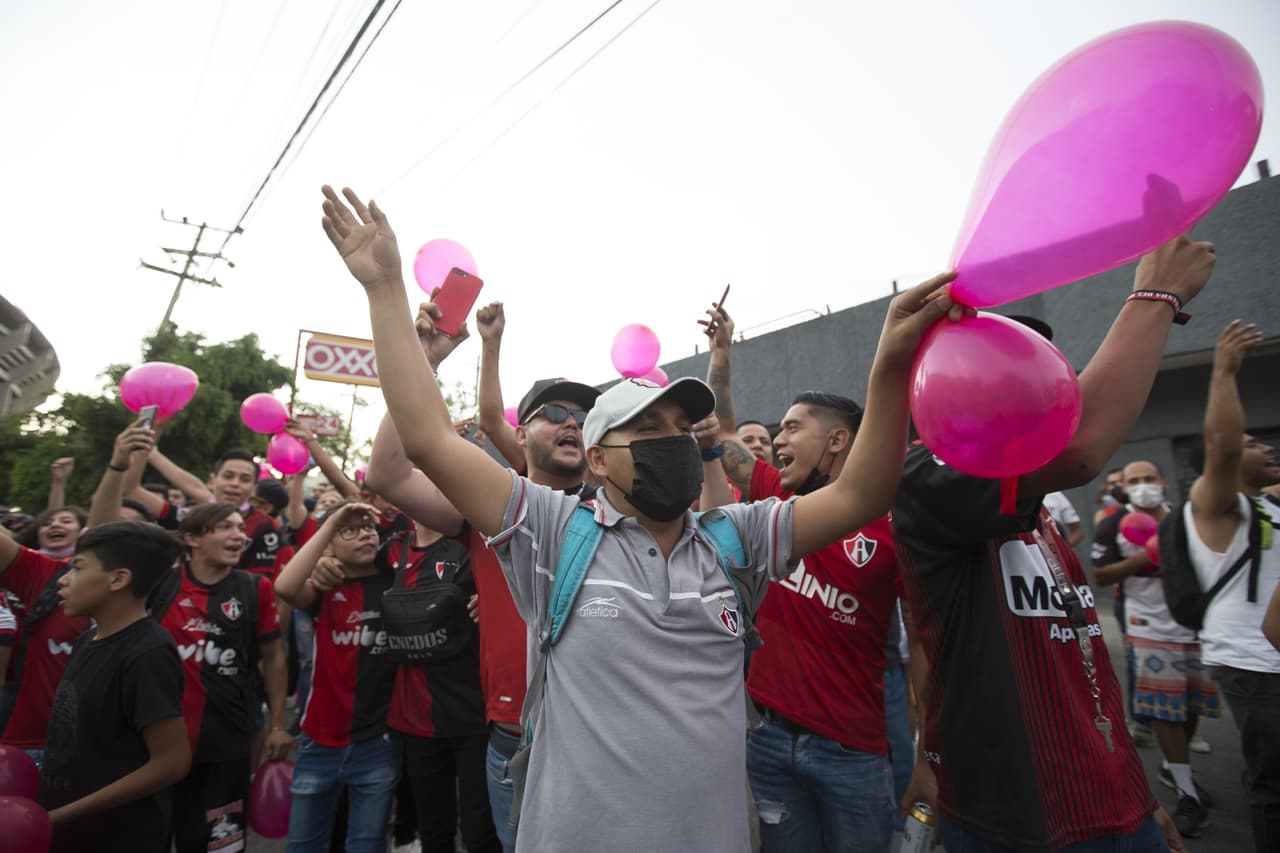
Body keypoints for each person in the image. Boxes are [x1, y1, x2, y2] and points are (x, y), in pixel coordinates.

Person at [321, 183, 955, 851]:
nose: (672, 438)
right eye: (646, 428)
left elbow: (860, 495)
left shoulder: (738, 539)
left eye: (679, 425)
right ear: (596, 458)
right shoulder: (551, 531)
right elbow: (425, 436)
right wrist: (385, 289)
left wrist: (889, 363)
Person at [893, 232, 1215, 852]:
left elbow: (1083, 669)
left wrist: (1138, 797)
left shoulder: (1041, 520)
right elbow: (1078, 451)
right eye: (1009, 361)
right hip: (1022, 825)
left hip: (1118, 810)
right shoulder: (924, 478)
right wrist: (1155, 297)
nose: (1038, 375)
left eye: (1043, 360)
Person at [369, 296, 600, 852]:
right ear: (520, 439)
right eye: (554, 413)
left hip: (603, 747)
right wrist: (427, 363)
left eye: (583, 416)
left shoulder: (625, 515)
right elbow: (390, 474)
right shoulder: (491, 511)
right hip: (512, 742)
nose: (572, 421)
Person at [705, 301, 903, 851]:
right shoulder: (775, 497)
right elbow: (721, 433)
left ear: (838, 441)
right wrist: (721, 352)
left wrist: (928, 751)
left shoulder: (891, 525)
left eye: (792, 427)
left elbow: (928, 645)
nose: (778, 438)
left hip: (853, 753)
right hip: (766, 741)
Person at [1182, 320, 1279, 853]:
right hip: (1253, 662)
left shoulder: (1268, 504)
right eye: (1253, 441)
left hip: (1272, 655)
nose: (1265, 447)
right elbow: (1220, 446)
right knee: (1273, 785)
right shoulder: (1221, 506)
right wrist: (1223, 373)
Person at [37, 521, 190, 852]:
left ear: (119, 579)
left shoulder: (148, 652)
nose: (62, 580)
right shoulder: (86, 640)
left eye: (77, 568)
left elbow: (172, 762)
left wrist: (61, 815)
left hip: (117, 836)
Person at [1093, 460, 1218, 836]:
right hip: (1147, 627)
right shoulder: (1113, 523)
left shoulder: (1187, 516)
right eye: (1135, 481)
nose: (1143, 486)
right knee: (1165, 710)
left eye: (1149, 479)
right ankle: (1185, 792)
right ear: (1125, 487)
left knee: (1191, 705)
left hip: (1193, 623)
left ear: (1164, 481)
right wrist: (1145, 555)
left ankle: (1174, 767)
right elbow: (1100, 574)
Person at [160, 502, 292, 853]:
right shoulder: (161, 585)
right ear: (192, 539)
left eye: (240, 528)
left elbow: (275, 658)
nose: (239, 536)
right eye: (225, 528)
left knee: (222, 844)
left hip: (226, 741)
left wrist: (277, 725)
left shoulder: (255, 589)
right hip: (157, 744)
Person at [274, 501, 401, 853]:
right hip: (319, 740)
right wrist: (328, 529)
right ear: (328, 543)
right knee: (303, 843)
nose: (365, 534)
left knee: (367, 842)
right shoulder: (324, 588)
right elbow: (285, 588)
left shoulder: (395, 582)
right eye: (350, 529)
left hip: (378, 741)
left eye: (369, 528)